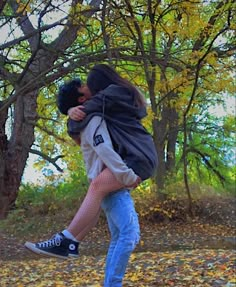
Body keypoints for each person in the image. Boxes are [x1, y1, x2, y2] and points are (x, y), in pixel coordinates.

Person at [25, 64, 157, 259]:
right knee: (100, 197)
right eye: (84, 85)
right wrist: (71, 111)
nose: (87, 87)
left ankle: (65, 239)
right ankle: (73, 243)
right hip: (135, 155)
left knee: (97, 188)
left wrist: (71, 113)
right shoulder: (114, 99)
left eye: (88, 84)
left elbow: (84, 118)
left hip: (137, 157)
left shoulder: (113, 94)